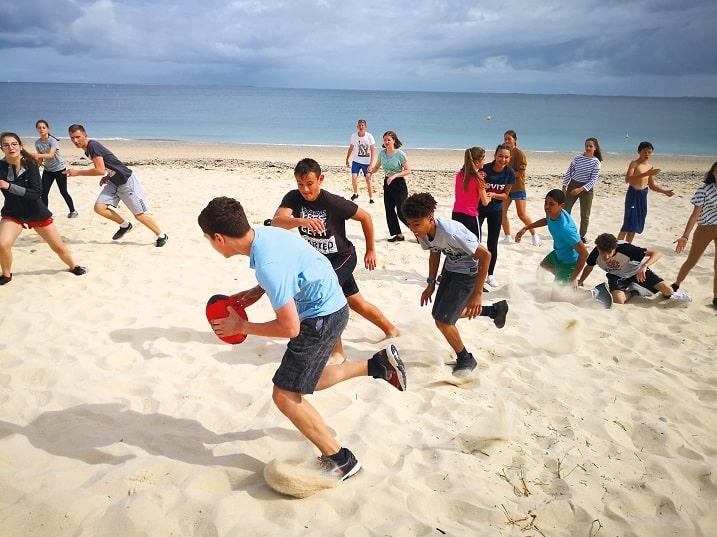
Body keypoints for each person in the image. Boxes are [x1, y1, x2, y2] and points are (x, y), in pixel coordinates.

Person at [198, 196, 406, 481]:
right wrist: (258, 291)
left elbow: (289, 328)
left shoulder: (268, 266)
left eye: (208, 239)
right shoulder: (267, 232)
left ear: (219, 238)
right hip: (333, 305)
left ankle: (341, 460)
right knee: (306, 380)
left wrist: (242, 326)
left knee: (284, 395)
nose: (210, 243)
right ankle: (377, 365)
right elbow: (292, 262)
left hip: (320, 318)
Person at [271, 158, 399, 362]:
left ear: (320, 179)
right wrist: (302, 220)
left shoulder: (332, 202)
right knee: (356, 302)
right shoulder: (294, 198)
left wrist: (371, 250)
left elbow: (365, 217)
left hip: (343, 257)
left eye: (309, 184)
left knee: (325, 296)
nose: (305, 189)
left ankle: (337, 353)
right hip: (318, 262)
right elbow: (277, 222)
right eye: (300, 184)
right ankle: (391, 329)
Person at [402, 192, 509, 376]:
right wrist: (430, 284)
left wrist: (477, 294)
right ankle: (494, 311)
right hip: (450, 269)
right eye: (410, 224)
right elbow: (434, 253)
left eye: (417, 224)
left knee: (443, 321)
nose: (413, 229)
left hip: (469, 272)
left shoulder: (452, 232)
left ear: (430, 218)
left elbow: (485, 255)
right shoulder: (423, 233)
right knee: (440, 314)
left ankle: (465, 358)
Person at [0, 132, 86, 285]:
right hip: (13, 212)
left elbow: (36, 193)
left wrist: (9, 186)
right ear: (2, 148)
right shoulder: (0, 167)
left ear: (20, 146)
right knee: (2, 244)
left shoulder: (31, 164)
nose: (10, 147)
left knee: (58, 247)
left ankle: (73, 266)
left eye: (14, 144)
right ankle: (6, 275)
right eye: (6, 145)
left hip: (36, 212)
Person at [66, 125, 168, 247]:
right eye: (72, 138)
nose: (75, 141)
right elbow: (111, 163)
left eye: (78, 137)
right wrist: (109, 175)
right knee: (99, 208)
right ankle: (125, 225)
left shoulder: (93, 146)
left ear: (85, 135)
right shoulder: (87, 149)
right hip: (113, 181)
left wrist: (77, 172)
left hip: (126, 182)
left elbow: (99, 170)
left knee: (139, 215)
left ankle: (161, 235)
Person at [578, 233, 690, 304]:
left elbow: (657, 252)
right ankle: (635, 291)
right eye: (603, 253)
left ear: (615, 247)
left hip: (637, 271)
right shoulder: (595, 253)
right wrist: (581, 281)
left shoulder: (626, 249)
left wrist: (645, 267)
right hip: (616, 276)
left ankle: (646, 287)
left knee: (668, 291)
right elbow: (589, 266)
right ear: (598, 248)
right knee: (619, 300)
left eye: (609, 252)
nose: (606, 257)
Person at [515, 189, 590, 295]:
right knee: (543, 267)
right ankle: (565, 281)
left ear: (561, 206)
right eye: (545, 203)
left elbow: (584, 253)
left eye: (551, 204)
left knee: (556, 297)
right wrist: (527, 227)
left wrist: (573, 277)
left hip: (569, 262)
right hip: (558, 253)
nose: (547, 207)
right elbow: (547, 220)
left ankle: (582, 289)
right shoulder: (553, 214)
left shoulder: (566, 229)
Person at [672, 161, 717, 309]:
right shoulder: (703, 190)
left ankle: (716, 297)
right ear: (713, 173)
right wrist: (685, 236)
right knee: (692, 260)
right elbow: (694, 216)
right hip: (704, 229)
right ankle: (676, 284)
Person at [617, 141, 674, 243]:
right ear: (639, 152)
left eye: (649, 152)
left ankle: (627, 247)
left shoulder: (650, 167)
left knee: (636, 223)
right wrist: (646, 173)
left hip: (643, 195)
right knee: (628, 222)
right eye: (645, 152)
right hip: (633, 194)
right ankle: (616, 247)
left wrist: (664, 191)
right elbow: (628, 179)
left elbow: (651, 186)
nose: (647, 154)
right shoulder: (634, 164)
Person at [479, 143, 515, 288]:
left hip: (496, 211)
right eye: (500, 156)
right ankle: (473, 270)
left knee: (492, 243)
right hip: (479, 209)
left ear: (509, 158)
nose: (503, 159)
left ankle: (490, 274)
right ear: (495, 156)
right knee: (475, 239)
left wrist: (494, 194)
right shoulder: (485, 169)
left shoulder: (510, 173)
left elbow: (506, 195)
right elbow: (476, 187)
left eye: (506, 157)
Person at [369, 131, 411, 242]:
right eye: (385, 140)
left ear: (394, 140)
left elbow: (408, 170)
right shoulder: (382, 153)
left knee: (401, 212)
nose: (386, 142)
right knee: (389, 210)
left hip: (399, 184)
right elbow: (377, 167)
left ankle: (419, 233)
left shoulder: (400, 154)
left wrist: (395, 175)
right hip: (387, 184)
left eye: (389, 140)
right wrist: (370, 172)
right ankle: (398, 235)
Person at [500, 130, 540, 246]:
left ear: (515, 140)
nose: (507, 141)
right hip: (506, 188)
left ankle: (534, 235)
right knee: (502, 213)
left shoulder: (519, 153)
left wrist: (507, 176)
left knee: (521, 214)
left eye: (509, 139)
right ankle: (507, 236)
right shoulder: (503, 152)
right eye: (505, 139)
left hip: (518, 188)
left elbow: (521, 172)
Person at [31, 120, 77, 218]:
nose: (41, 129)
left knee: (63, 191)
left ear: (48, 129)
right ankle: (45, 214)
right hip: (48, 170)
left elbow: (51, 155)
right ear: (36, 129)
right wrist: (35, 168)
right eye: (39, 128)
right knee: (43, 192)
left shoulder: (53, 141)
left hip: (59, 169)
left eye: (43, 127)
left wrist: (36, 155)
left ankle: (73, 211)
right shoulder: (37, 143)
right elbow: (41, 159)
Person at [562, 137, 603, 243]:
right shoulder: (577, 158)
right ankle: (564, 231)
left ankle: (581, 236)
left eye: (591, 146)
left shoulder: (596, 162)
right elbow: (569, 172)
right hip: (573, 185)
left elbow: (593, 180)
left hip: (586, 189)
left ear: (595, 148)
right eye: (586, 146)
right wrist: (564, 186)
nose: (588, 148)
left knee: (585, 215)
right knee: (565, 211)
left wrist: (580, 190)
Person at [452, 146, 489, 240]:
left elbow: (465, 192)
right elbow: (485, 202)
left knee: (458, 246)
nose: (484, 161)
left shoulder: (459, 175)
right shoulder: (478, 179)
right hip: (470, 215)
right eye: (483, 159)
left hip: (456, 213)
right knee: (476, 246)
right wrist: (490, 196)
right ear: (477, 162)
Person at [344, 119, 376, 203]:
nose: (361, 127)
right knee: (354, 178)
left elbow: (373, 151)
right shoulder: (354, 136)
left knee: (368, 180)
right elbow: (351, 147)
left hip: (366, 162)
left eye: (363, 125)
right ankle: (355, 193)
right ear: (357, 126)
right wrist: (347, 158)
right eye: (359, 125)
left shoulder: (369, 136)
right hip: (356, 161)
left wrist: (371, 164)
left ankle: (371, 198)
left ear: (365, 127)